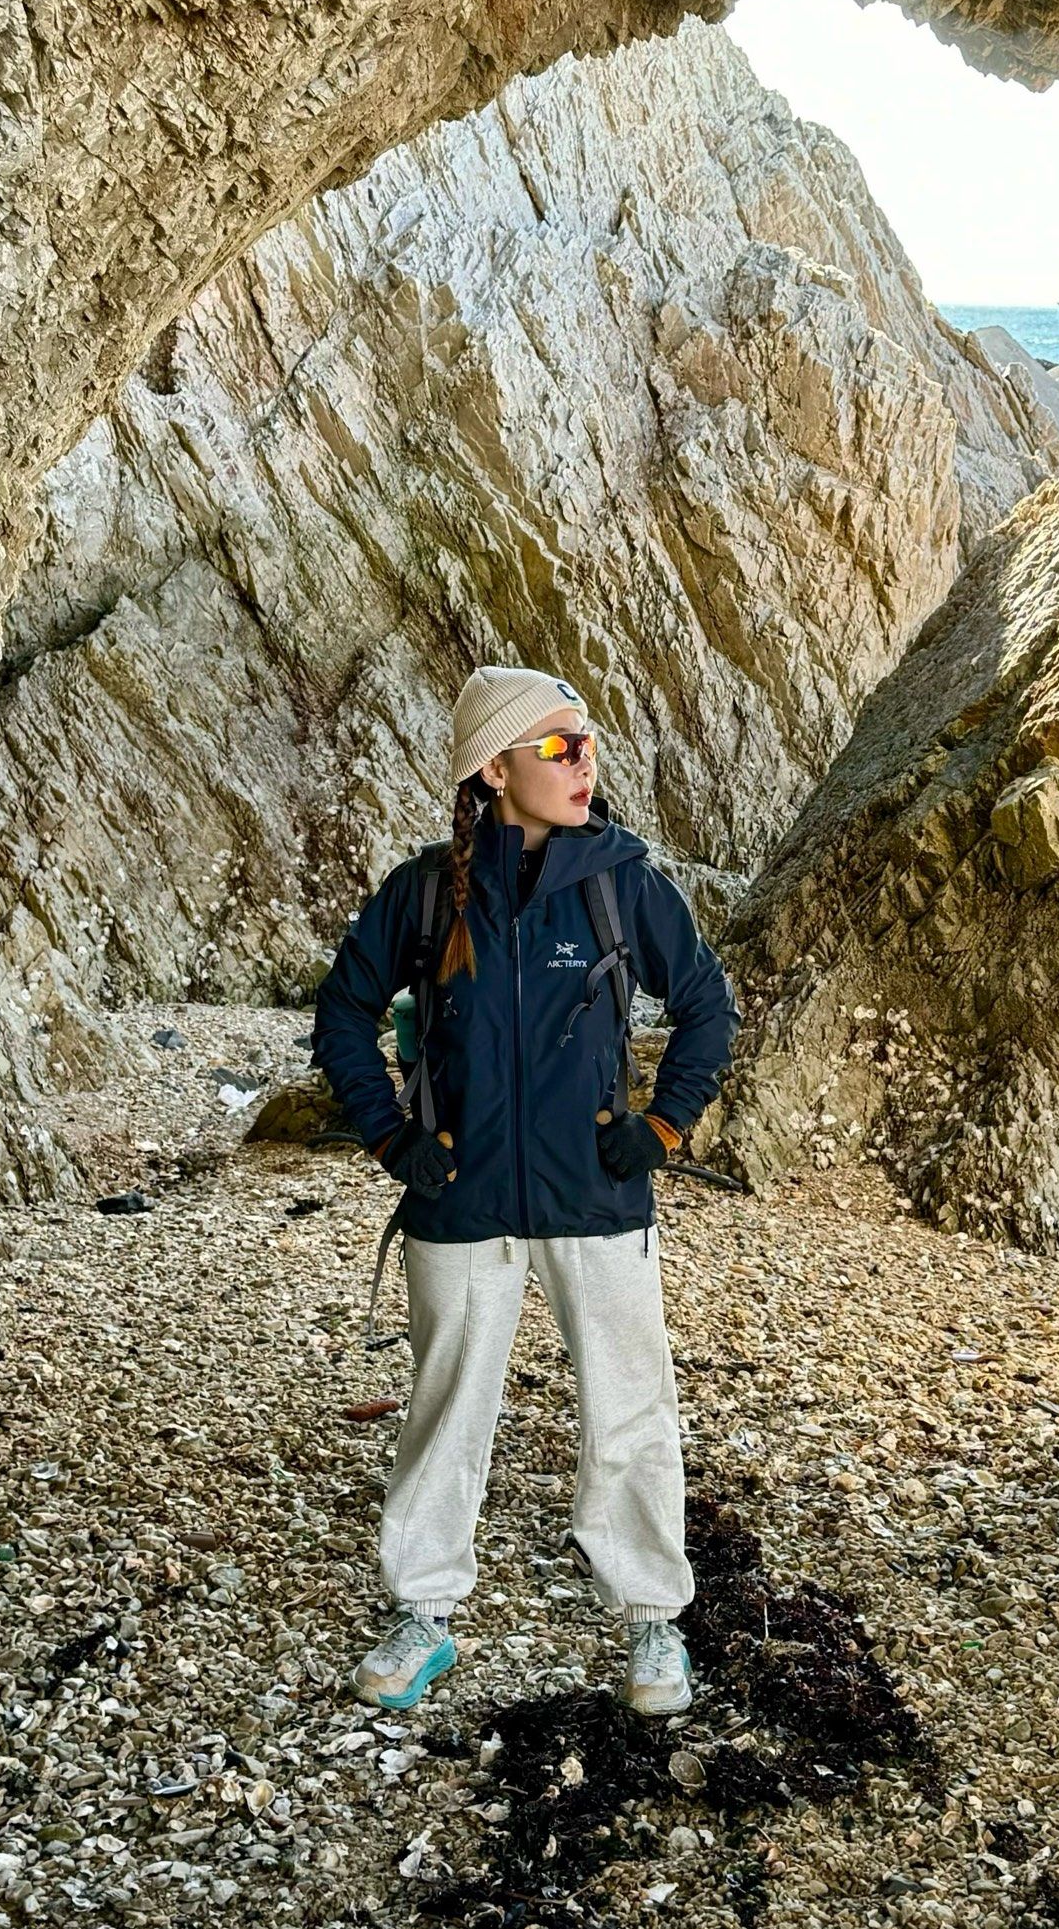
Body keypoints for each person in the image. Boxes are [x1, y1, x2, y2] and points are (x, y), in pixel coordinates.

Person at [310, 663, 739, 1719]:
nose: (581, 761)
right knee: (445, 1405)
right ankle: (422, 1613)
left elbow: (707, 1009)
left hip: (593, 1195)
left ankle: (650, 1622)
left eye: (584, 741)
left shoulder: (622, 882)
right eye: (555, 746)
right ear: (493, 769)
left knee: (630, 1407)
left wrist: (660, 1128)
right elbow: (341, 1013)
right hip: (457, 1199)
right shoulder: (426, 890)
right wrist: (389, 1139)